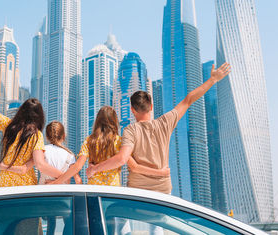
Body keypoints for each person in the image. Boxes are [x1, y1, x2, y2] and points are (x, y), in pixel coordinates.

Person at [86, 62, 231, 193]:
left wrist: (95, 168)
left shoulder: (130, 130)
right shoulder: (165, 123)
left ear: (132, 110)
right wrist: (213, 79)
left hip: (138, 190)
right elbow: (188, 100)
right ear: (151, 107)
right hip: (163, 189)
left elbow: (123, 159)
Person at [49, 106, 169, 186]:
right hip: (112, 192)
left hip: (93, 191)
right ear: (114, 121)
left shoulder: (89, 141)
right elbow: (135, 167)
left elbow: (77, 167)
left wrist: (56, 183)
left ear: (97, 120)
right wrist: (160, 172)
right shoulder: (119, 142)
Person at [0, 121, 82, 184]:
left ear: (46, 137)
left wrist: (4, 166)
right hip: (64, 198)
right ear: (64, 136)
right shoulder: (70, 155)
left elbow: (24, 169)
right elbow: (78, 181)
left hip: (43, 194)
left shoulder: (41, 151)